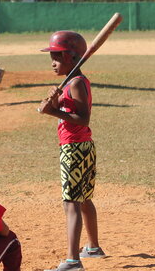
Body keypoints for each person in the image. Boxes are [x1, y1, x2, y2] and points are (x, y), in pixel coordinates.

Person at [38, 31, 106, 271]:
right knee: (84, 199)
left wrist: (52, 112)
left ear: (71, 57)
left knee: (71, 204)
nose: (53, 62)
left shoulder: (76, 82)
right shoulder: (70, 81)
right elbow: (70, 110)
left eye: (57, 57)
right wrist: (55, 101)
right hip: (83, 147)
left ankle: (72, 261)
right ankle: (94, 247)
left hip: (74, 148)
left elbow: (82, 119)